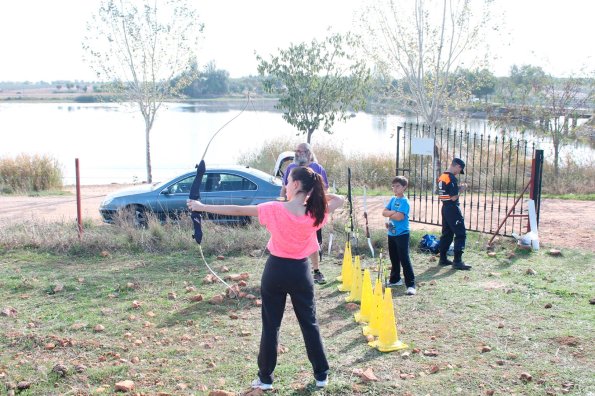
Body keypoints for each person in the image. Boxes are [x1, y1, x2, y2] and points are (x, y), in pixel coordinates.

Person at [187, 166, 344, 390]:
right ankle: (321, 375)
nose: (285, 185)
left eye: (288, 181)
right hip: (301, 271)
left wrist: (201, 207)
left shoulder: (274, 208)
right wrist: (313, 194)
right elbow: (339, 200)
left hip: (276, 270)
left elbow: (238, 210)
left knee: (271, 326)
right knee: (309, 323)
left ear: (297, 185)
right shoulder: (316, 212)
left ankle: (265, 379)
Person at [280, 143, 329, 285]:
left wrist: (319, 205)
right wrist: (283, 203)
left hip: (311, 211)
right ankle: (289, 270)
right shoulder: (290, 168)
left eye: (300, 151)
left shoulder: (318, 168)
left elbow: (324, 190)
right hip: (292, 211)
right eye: (296, 151)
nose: (296, 153)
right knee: (289, 239)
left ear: (308, 153)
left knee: (313, 241)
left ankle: (316, 271)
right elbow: (284, 189)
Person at [382, 176, 416, 295]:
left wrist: (391, 214)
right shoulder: (393, 199)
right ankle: (395, 279)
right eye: (393, 186)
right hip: (391, 233)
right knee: (394, 257)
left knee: (404, 259)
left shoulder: (404, 201)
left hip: (402, 234)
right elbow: (384, 212)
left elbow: (400, 217)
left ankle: (411, 284)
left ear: (404, 187)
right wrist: (393, 213)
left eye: (398, 186)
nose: (395, 189)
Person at [437, 158, 471, 270]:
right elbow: (453, 197)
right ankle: (457, 261)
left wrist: (457, 188)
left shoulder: (442, 176)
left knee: (447, 234)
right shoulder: (451, 178)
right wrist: (461, 189)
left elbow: (446, 192)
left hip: (445, 207)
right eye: (459, 170)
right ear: (457, 166)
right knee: (461, 233)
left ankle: (442, 258)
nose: (458, 173)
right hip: (452, 208)